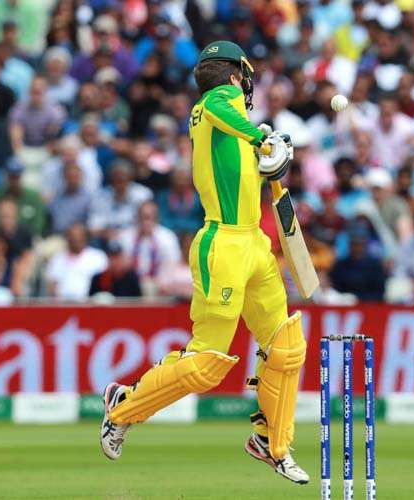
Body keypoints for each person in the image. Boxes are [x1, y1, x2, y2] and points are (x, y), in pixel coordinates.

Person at [100, 41, 309, 484]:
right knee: (208, 363)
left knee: (286, 347)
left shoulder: (231, 128)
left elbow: (251, 169)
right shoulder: (220, 101)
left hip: (254, 243)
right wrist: (262, 138)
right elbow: (220, 109)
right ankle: (124, 405)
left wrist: (269, 159)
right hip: (224, 245)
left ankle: (272, 443)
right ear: (237, 74)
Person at [45, 223, 107, 300]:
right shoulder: (57, 259)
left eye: (79, 236)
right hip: (62, 304)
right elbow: (52, 284)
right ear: (67, 238)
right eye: (72, 236)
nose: (75, 240)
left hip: (91, 304)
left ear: (85, 237)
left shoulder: (98, 257)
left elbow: (105, 283)